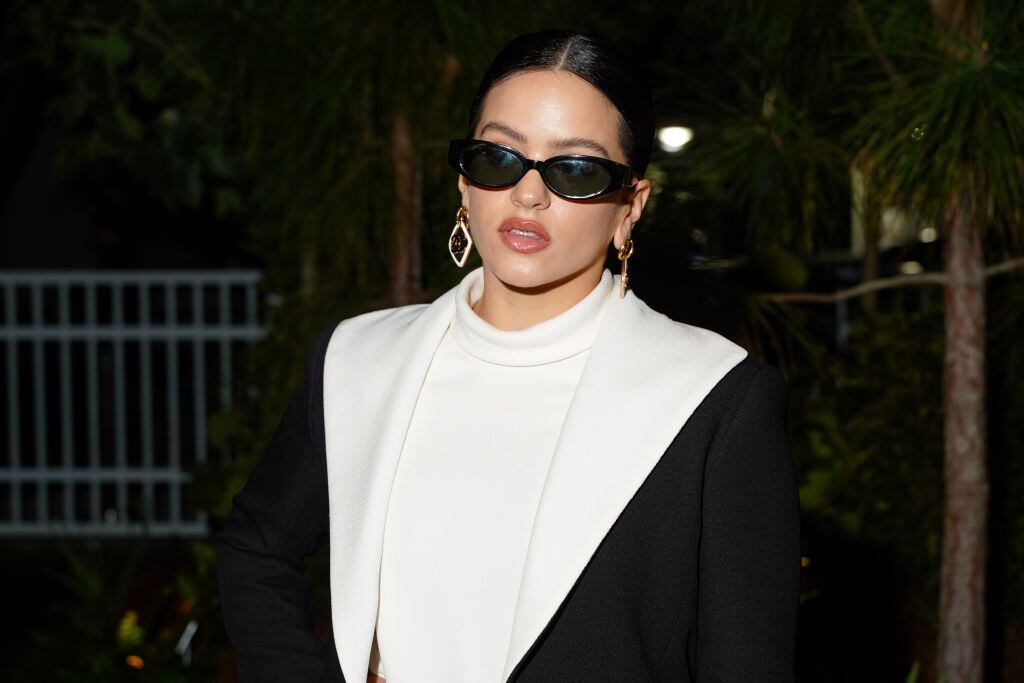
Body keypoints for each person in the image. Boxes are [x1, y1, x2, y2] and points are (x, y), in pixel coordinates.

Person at [214, 29, 800, 683]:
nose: (528, 193)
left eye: (575, 169)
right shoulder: (359, 359)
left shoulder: (713, 397)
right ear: (465, 182)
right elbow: (254, 549)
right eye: (498, 158)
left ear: (630, 207)